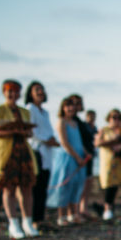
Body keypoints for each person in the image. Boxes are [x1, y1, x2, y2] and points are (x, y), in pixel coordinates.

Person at [0, 80, 39, 238]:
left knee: (27, 188)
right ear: (4, 92)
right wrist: (14, 130)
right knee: (8, 188)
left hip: (23, 151)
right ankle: (13, 223)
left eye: (16, 92)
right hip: (7, 152)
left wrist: (22, 131)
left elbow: (30, 133)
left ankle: (27, 222)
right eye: (10, 91)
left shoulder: (24, 112)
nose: (13, 95)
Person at [46, 96, 90, 225]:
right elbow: (64, 143)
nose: (70, 108)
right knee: (65, 186)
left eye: (72, 105)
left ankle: (73, 214)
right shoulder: (61, 122)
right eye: (67, 105)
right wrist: (77, 158)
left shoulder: (75, 123)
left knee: (77, 185)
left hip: (79, 156)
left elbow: (78, 142)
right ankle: (62, 216)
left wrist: (86, 153)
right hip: (67, 158)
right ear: (63, 108)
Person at [94, 109, 121, 221]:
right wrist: (115, 141)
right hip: (110, 163)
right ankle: (108, 210)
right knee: (110, 187)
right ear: (109, 118)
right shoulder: (104, 130)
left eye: (119, 117)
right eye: (114, 117)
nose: (116, 120)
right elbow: (97, 143)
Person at [24, 81, 58, 227]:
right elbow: (31, 131)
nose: (40, 92)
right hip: (36, 151)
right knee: (35, 187)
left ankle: (40, 218)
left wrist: (52, 140)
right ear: (30, 93)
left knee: (43, 187)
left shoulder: (45, 112)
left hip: (47, 152)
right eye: (36, 89)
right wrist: (46, 140)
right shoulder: (30, 108)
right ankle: (33, 220)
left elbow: (48, 130)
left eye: (41, 89)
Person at [69, 96, 97, 220]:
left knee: (86, 183)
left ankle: (82, 209)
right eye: (74, 103)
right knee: (77, 184)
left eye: (79, 103)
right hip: (80, 155)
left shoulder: (81, 122)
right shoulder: (74, 122)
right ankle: (74, 212)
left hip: (88, 155)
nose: (77, 106)